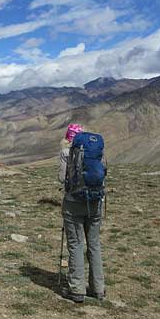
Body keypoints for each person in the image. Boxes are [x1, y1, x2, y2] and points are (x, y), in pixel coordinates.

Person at [58, 123, 105, 304]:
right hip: (95, 203)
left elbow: (62, 178)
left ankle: (77, 289)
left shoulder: (66, 153)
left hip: (73, 204)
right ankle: (98, 288)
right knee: (94, 244)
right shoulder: (94, 150)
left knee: (76, 244)